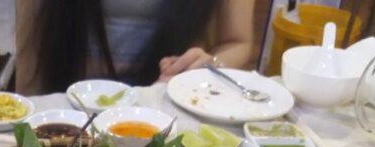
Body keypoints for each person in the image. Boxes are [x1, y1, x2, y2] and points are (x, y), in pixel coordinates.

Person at [16, 0, 254, 95]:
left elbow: (238, 41)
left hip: (167, 105)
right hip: (70, 106)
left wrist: (210, 64)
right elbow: (31, 51)